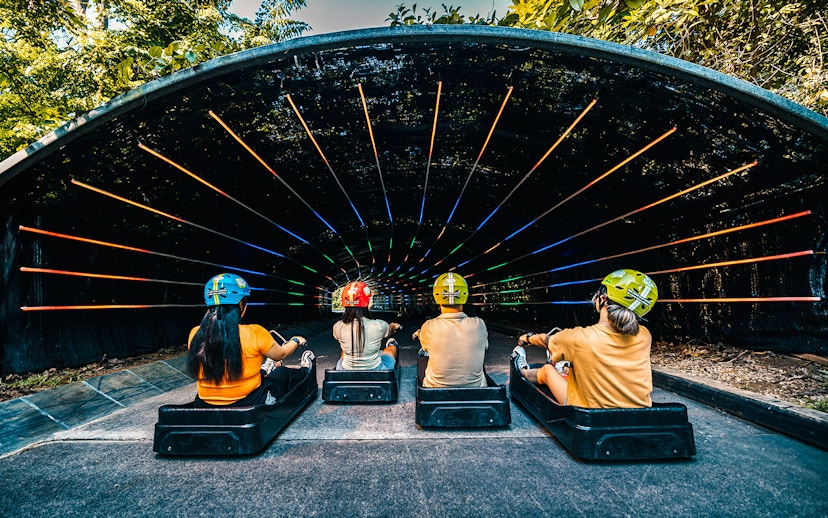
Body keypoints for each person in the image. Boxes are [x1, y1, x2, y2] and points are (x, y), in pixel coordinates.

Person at [512, 269, 658, 409]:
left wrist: (527, 338)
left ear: (602, 299)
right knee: (572, 368)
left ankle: (523, 373)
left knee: (548, 370)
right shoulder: (644, 335)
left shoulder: (579, 338)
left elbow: (545, 340)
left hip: (590, 413)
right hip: (637, 411)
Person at [186, 273, 314, 407]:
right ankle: (305, 371)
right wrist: (295, 341)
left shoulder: (195, 334)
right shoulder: (254, 332)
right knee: (282, 372)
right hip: (249, 402)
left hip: (205, 404)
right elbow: (281, 354)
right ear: (241, 304)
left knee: (259, 374)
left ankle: (264, 371)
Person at [412, 272, 488, 388]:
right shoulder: (479, 324)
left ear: (436, 295)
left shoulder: (429, 326)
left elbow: (424, 343)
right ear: (465, 295)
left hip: (436, 388)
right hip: (476, 388)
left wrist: (419, 333)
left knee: (423, 355)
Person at [333, 280, 401, 370]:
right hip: (376, 369)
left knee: (344, 351)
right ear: (367, 302)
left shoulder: (338, 327)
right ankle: (391, 344)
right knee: (391, 349)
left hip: (346, 369)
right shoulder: (379, 325)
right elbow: (390, 330)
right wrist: (393, 326)